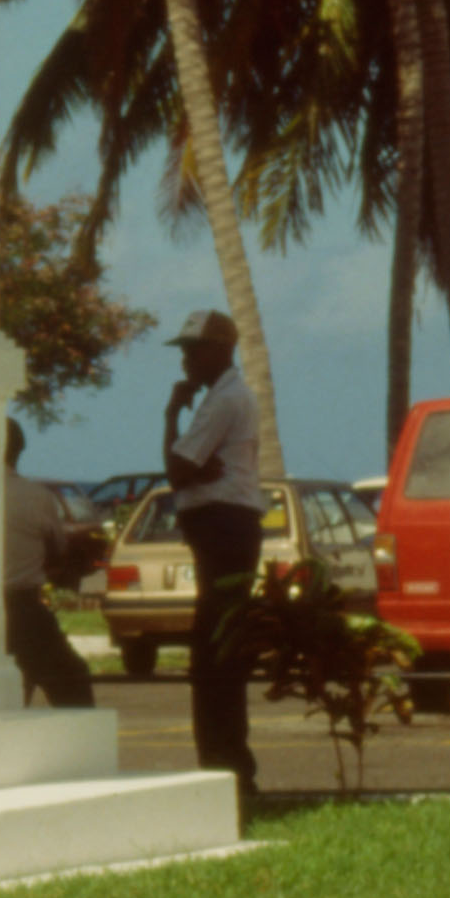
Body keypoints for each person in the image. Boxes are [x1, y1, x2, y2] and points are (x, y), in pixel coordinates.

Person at [160, 308, 264, 806]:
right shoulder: (225, 398)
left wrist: (170, 416)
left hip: (223, 523)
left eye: (193, 349)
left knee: (216, 651)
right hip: (224, 523)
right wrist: (191, 469)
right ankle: (225, 762)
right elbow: (188, 470)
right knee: (216, 648)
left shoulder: (223, 400)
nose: (186, 359)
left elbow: (179, 467)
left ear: (221, 350)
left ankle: (226, 765)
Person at [0, 418, 97, 711]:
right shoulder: (36, 497)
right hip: (21, 607)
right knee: (72, 682)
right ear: (20, 450)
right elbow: (57, 552)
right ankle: (80, 751)